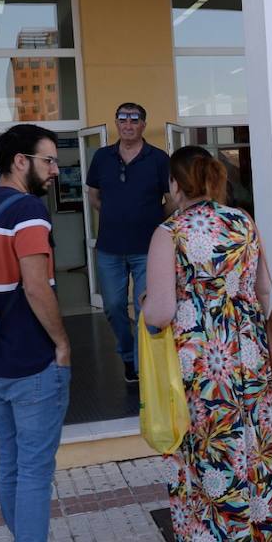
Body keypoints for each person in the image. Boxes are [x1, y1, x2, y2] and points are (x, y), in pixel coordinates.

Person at [144, 146, 272, 542]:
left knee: (213, 449)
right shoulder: (245, 222)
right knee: (256, 445)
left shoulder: (170, 233)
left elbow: (161, 312)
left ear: (174, 183)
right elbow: (264, 290)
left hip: (202, 361)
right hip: (248, 349)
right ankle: (269, 541)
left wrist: (145, 301)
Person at [0, 124, 91, 542]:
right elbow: (37, 287)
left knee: (12, 460)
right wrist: (61, 343)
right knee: (36, 469)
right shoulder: (27, 211)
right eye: (48, 161)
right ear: (20, 161)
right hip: (28, 357)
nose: (55, 170)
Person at [87, 102, 171, 383]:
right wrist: (117, 215)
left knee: (145, 307)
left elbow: (170, 201)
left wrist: (155, 224)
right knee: (112, 306)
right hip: (110, 247)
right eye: (122, 119)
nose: (128, 124)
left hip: (148, 249)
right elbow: (94, 196)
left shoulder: (159, 158)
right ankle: (126, 353)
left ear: (143, 125)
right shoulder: (102, 157)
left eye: (134, 119)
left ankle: (139, 364)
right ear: (116, 123)